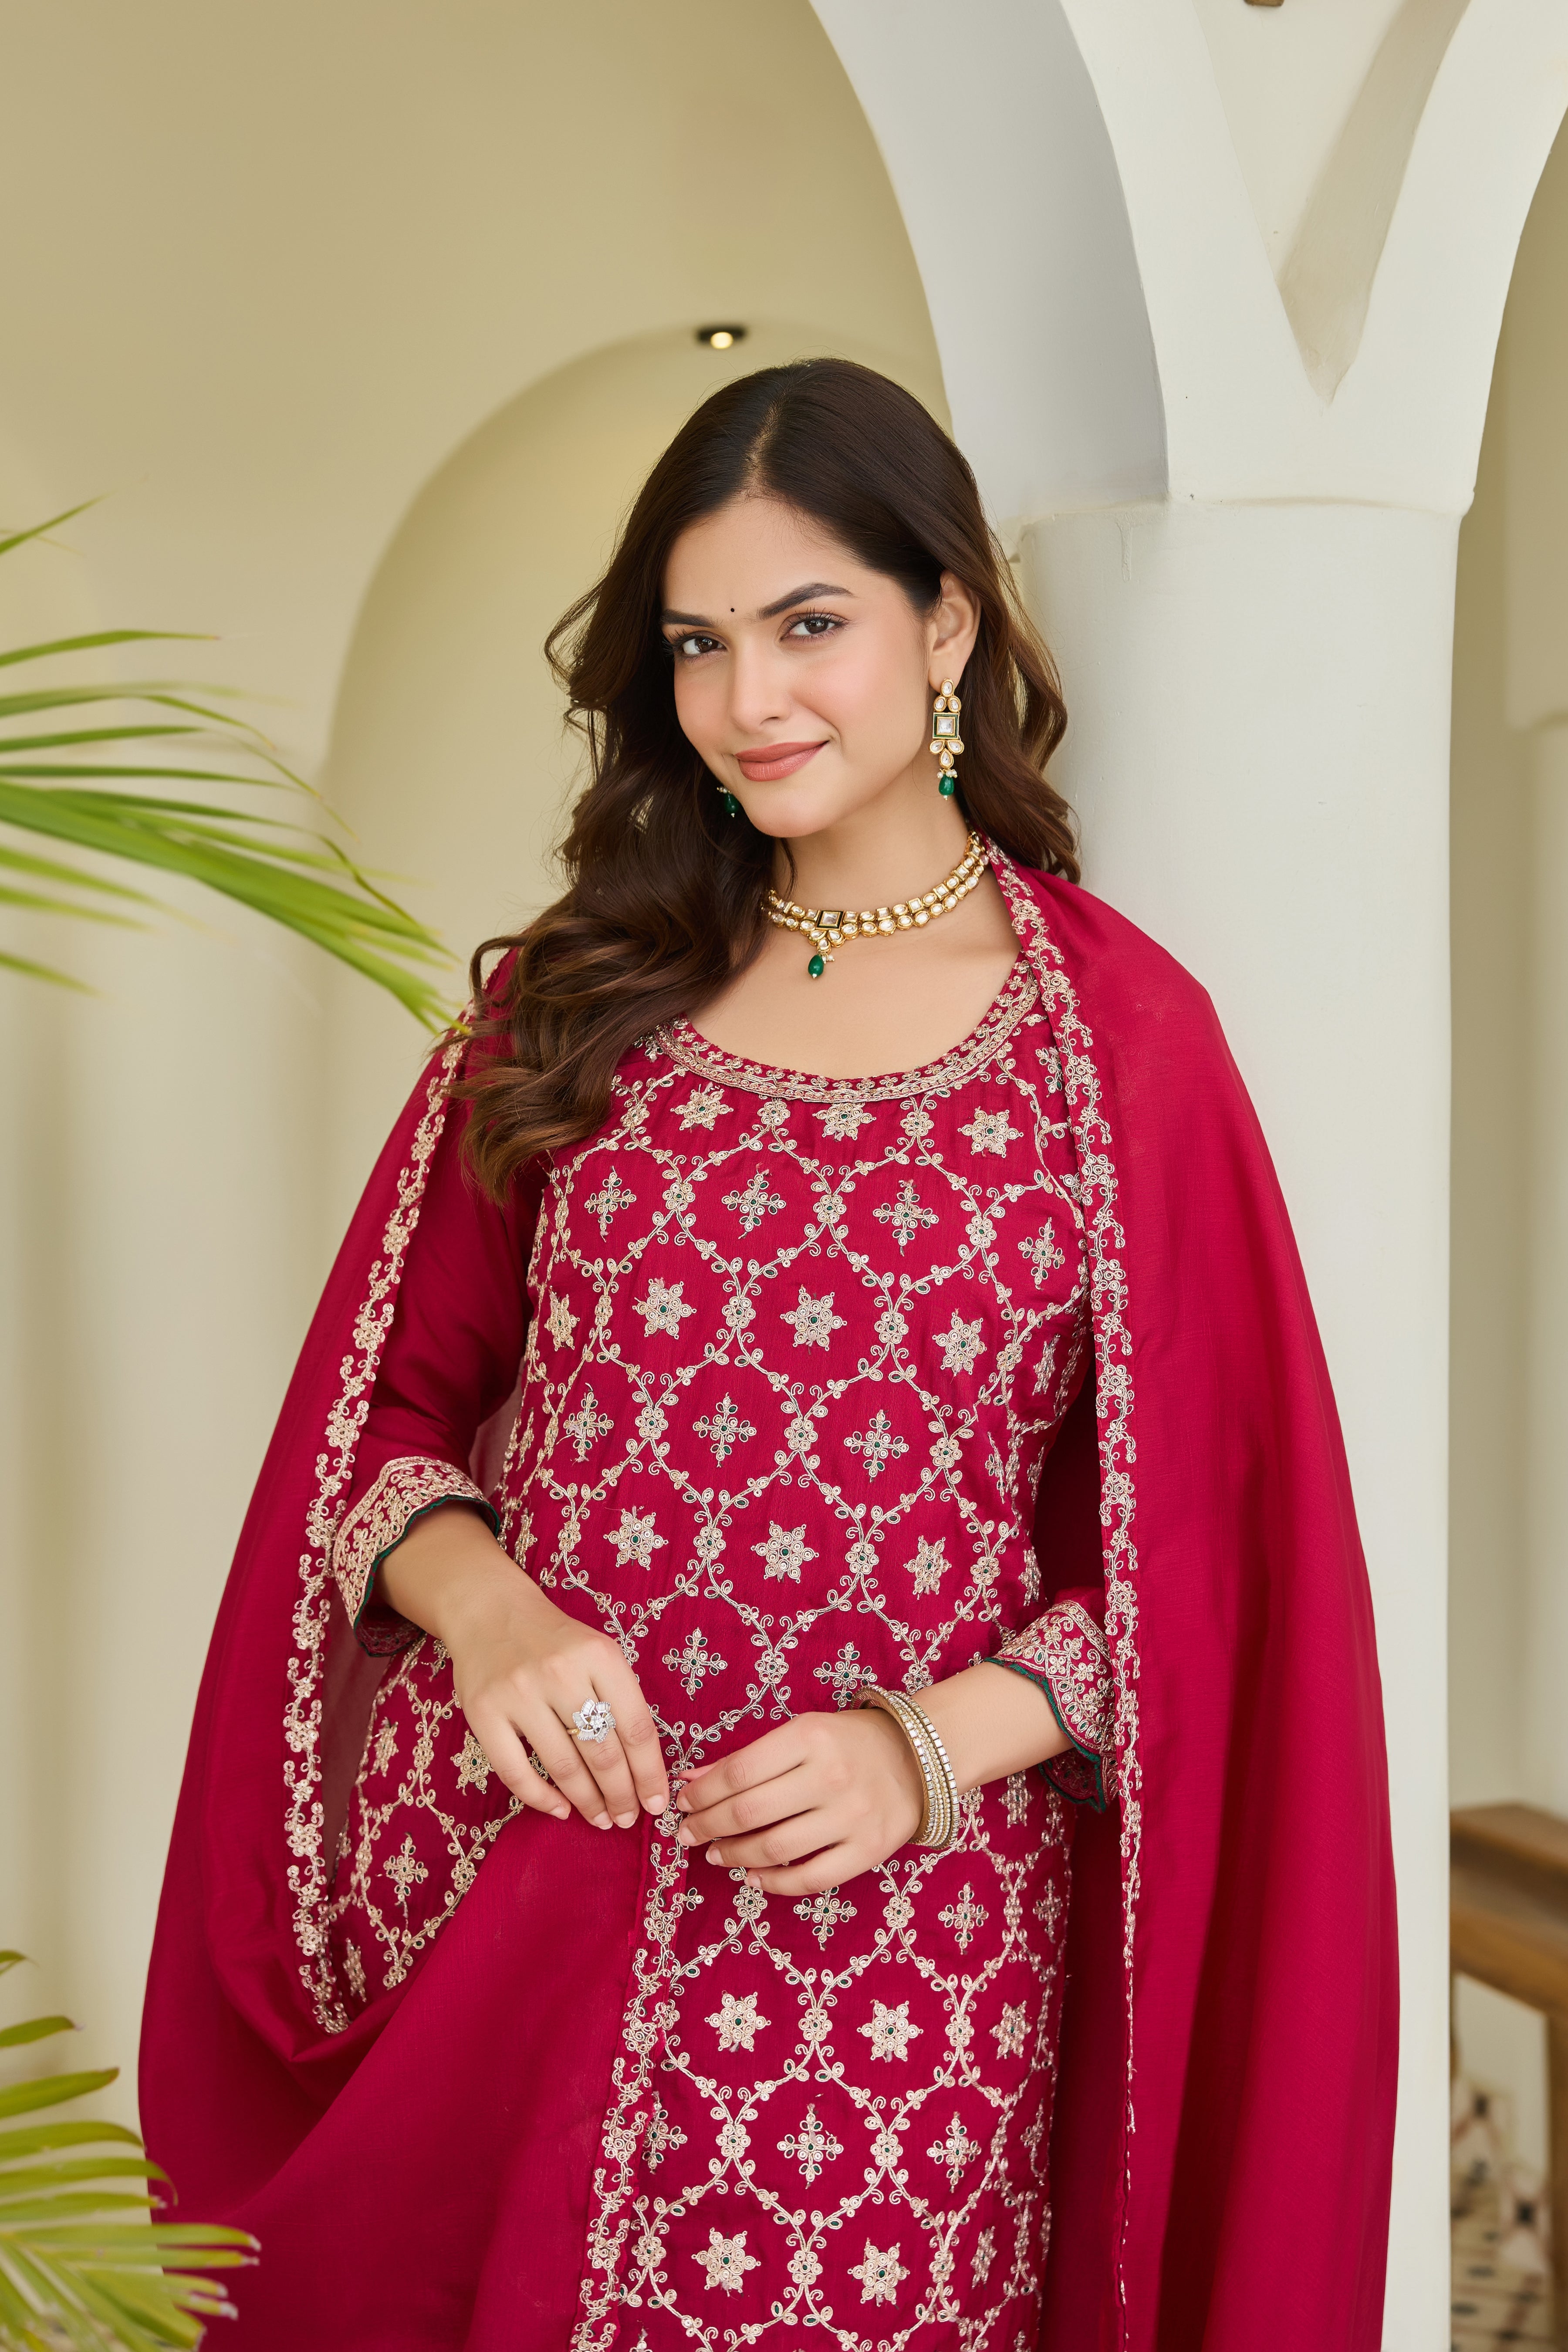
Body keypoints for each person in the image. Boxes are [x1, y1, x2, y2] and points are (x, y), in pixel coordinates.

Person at [141, 360, 1397, 2350]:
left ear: (949, 626)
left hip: (900, 1989)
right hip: (535, 1898)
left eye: (811, 625)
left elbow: (1217, 1575)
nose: (751, 701)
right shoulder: (584, 1002)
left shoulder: (1120, 1051)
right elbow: (374, 1414)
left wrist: (928, 1747)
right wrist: (489, 1620)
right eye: (701, 644)